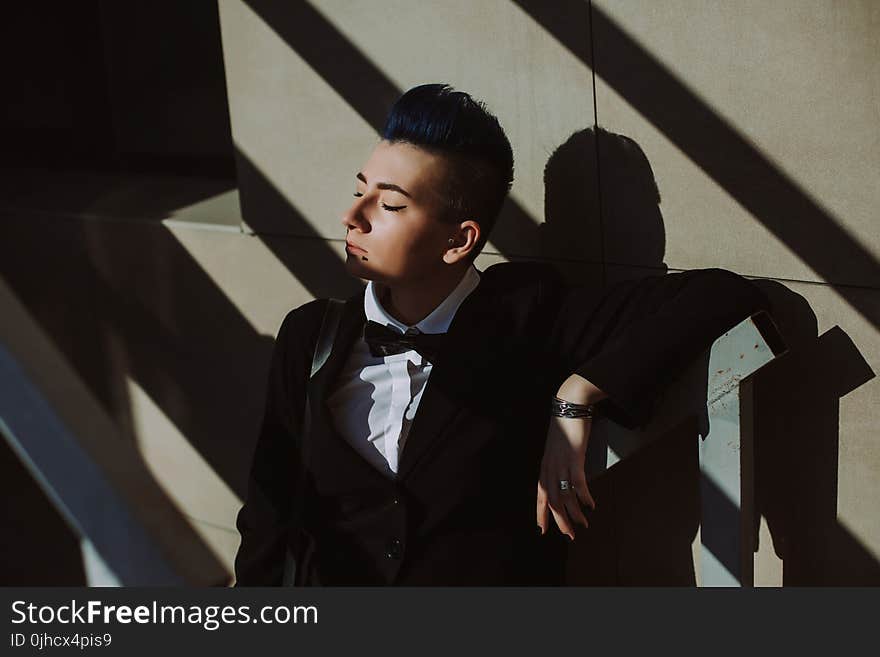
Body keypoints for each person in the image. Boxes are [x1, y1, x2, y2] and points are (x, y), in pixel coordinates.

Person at [233, 83, 770, 586]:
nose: (352, 215)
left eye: (390, 204)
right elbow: (269, 511)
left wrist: (576, 396)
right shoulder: (311, 335)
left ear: (458, 240)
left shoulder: (526, 313)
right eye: (359, 190)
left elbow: (723, 295)